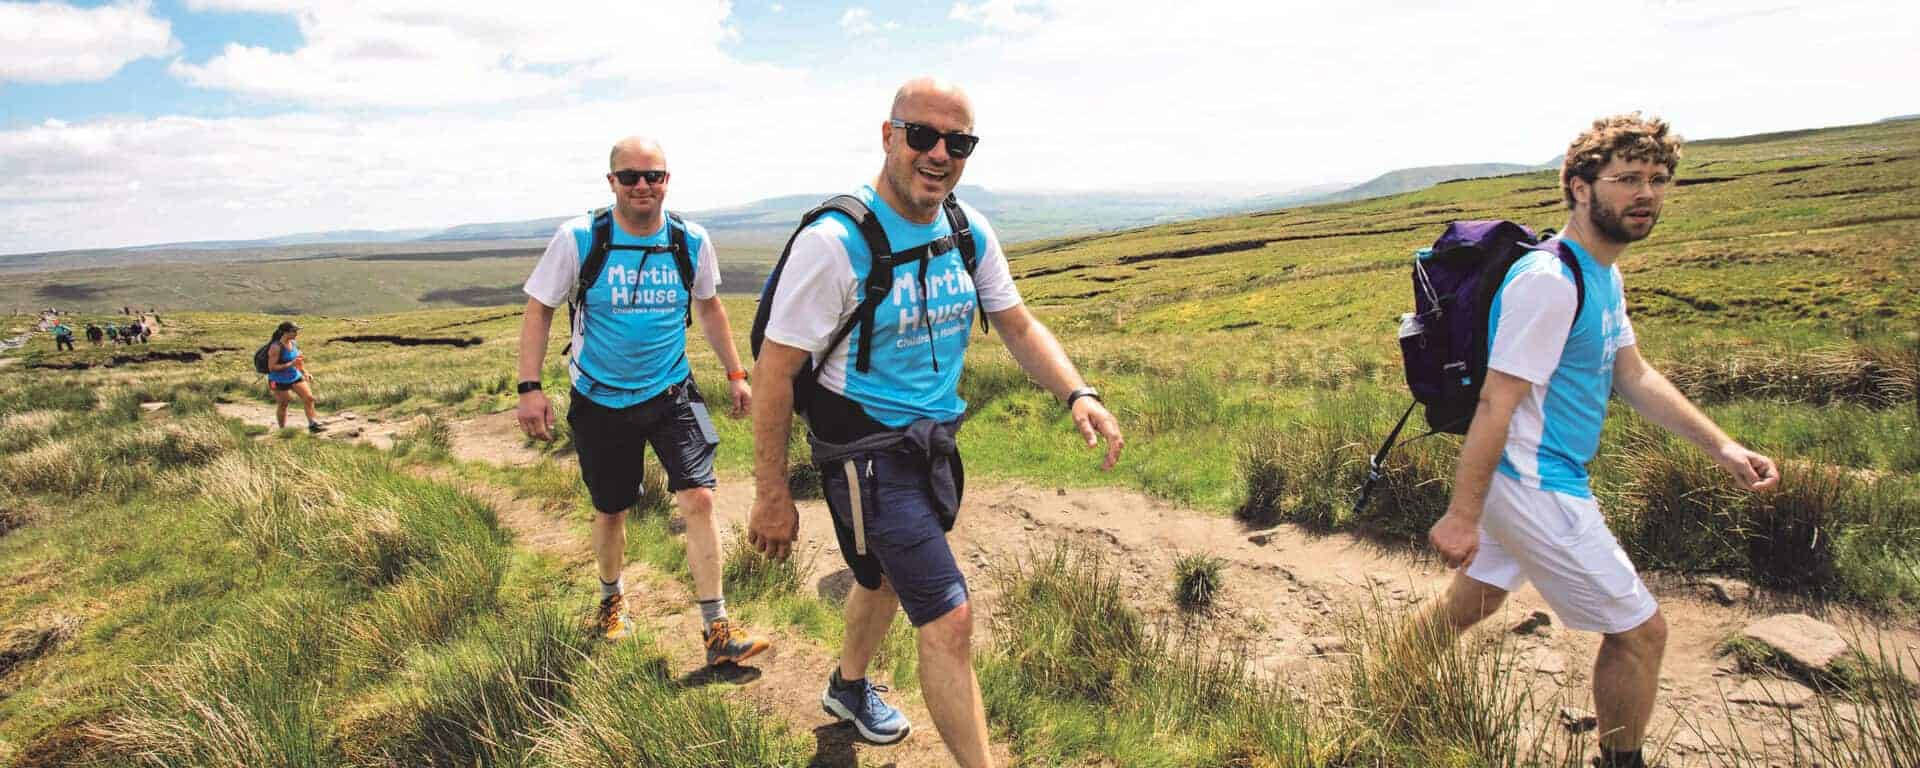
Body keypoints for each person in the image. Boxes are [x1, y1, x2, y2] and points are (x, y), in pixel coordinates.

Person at [747, 78, 1125, 767]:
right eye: (922, 135)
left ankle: (847, 687)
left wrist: (1077, 391)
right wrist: (771, 492)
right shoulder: (835, 243)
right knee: (949, 616)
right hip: (862, 448)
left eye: (959, 142)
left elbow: (1014, 322)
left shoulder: (965, 228)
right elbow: (775, 371)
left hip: (931, 442)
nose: (939, 153)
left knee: (881, 578)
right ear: (889, 136)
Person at [1415, 113, 1779, 768]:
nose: (1647, 193)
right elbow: (1498, 403)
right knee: (1641, 632)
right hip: (1532, 480)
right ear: (1580, 188)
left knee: (1477, 596)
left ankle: (1386, 679)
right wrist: (1461, 514)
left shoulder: (1600, 276)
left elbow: (1632, 375)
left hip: (1533, 476)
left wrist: (1721, 447)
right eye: (1628, 179)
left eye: (1658, 179)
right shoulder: (1551, 284)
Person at [514, 135, 770, 664]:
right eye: (629, 177)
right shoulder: (580, 238)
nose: (642, 186)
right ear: (611, 183)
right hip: (599, 397)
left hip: (672, 389)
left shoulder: (689, 240)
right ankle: (611, 600)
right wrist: (530, 388)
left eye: (653, 176)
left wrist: (736, 373)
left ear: (667, 180)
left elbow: (711, 306)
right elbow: (539, 308)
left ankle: (717, 629)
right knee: (612, 509)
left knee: (699, 497)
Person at [265, 321, 323, 434]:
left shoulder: (293, 343)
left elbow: (298, 361)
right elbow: (272, 367)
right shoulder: (275, 347)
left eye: (297, 330)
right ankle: (282, 430)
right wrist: (290, 364)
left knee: (309, 398)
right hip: (278, 380)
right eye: (294, 331)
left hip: (294, 376)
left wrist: (305, 372)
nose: (297, 333)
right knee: (284, 403)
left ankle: (313, 423)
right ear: (285, 332)